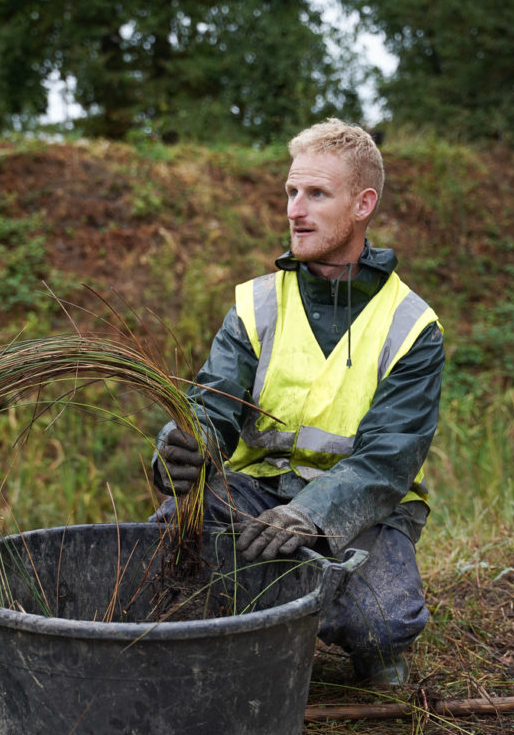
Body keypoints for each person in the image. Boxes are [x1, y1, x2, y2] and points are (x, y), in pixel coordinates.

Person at [151, 118, 445, 689]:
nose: (294, 209)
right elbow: (214, 407)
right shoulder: (257, 304)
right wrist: (184, 447)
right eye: (291, 191)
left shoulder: (412, 326)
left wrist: (314, 517)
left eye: (316, 193)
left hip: (363, 512)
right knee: (167, 539)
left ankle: (290, 609)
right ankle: (241, 621)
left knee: (381, 623)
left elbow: (388, 463)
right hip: (255, 492)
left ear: (363, 204)